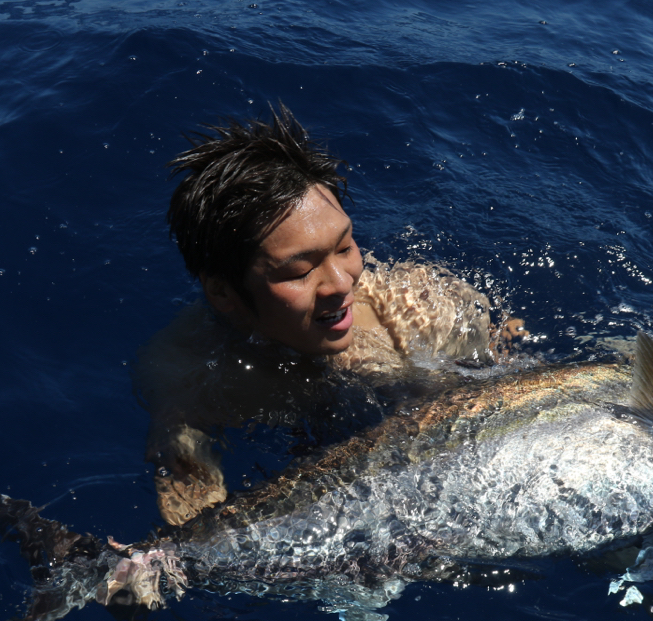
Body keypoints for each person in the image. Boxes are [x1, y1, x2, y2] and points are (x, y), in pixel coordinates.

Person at [138, 105, 522, 527]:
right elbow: (191, 508)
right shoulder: (190, 375)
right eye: (301, 271)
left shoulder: (417, 305)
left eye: (344, 247)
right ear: (222, 291)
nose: (341, 283)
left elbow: (504, 367)